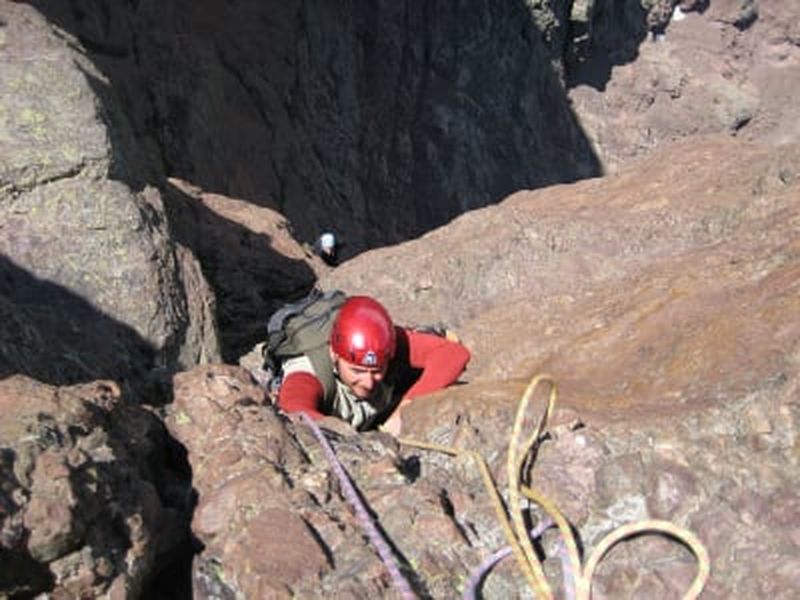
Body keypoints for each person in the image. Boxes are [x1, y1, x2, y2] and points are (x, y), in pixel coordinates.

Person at [277, 295, 470, 435]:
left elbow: (454, 354)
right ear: (334, 355)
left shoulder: (385, 343)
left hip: (383, 405)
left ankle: (423, 335)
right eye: (357, 370)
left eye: (377, 370)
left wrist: (406, 408)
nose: (368, 382)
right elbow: (296, 408)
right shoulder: (308, 372)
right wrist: (347, 436)